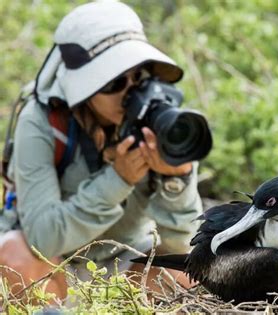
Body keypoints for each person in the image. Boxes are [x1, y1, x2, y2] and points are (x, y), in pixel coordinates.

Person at [0, 0, 203, 300]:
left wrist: (177, 180)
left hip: (126, 263)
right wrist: (117, 181)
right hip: (53, 267)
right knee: (11, 259)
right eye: (114, 82)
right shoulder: (42, 121)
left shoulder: (159, 123)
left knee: (185, 275)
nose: (130, 91)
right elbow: (43, 239)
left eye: (138, 76)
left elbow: (181, 246)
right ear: (82, 87)